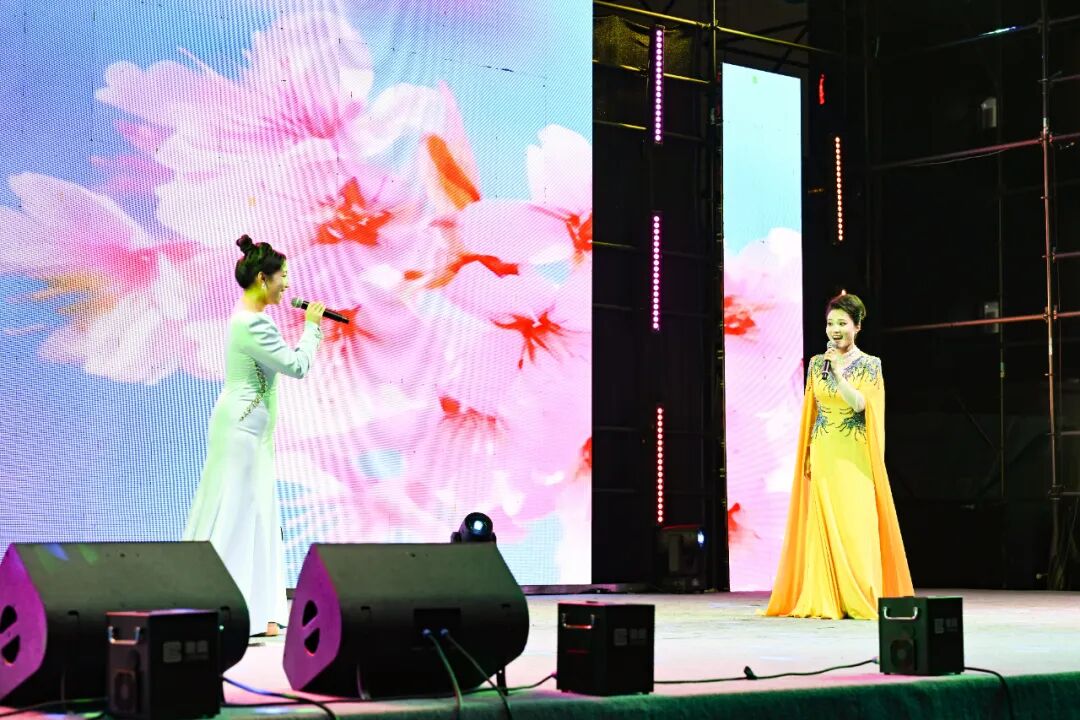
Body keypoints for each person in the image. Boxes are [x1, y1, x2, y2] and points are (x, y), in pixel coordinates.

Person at [183, 235, 326, 636]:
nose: (287, 285)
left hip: (251, 428)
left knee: (259, 512)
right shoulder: (254, 323)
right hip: (241, 428)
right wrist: (312, 329)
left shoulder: (251, 317)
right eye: (283, 276)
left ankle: (260, 610)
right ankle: (218, 604)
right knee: (237, 511)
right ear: (263, 278)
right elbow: (296, 366)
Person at [763, 293, 913, 620]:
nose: (835, 329)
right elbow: (812, 411)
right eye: (830, 323)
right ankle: (825, 598)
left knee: (856, 523)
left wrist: (838, 375)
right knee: (824, 524)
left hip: (855, 453)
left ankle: (860, 596)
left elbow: (860, 405)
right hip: (825, 449)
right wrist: (806, 453)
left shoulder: (870, 365)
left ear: (857, 327)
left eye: (842, 323)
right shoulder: (817, 364)